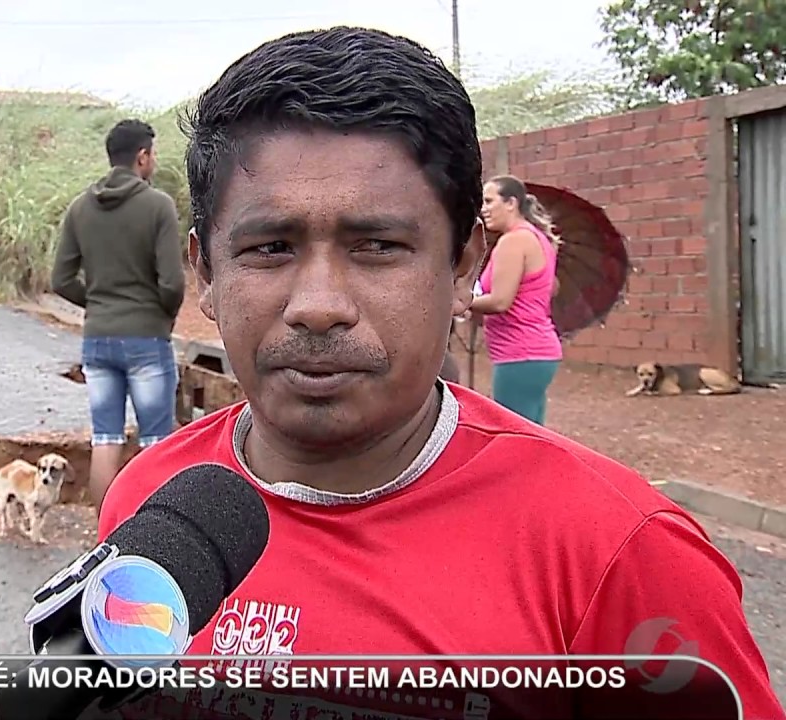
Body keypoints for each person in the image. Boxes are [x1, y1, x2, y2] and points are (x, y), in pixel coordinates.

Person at [97, 26, 783, 720]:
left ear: (461, 265)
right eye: (270, 247)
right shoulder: (151, 509)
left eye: (379, 246)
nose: (319, 307)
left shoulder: (620, 557)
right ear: (206, 272)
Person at [50, 119, 186, 514]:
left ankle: (105, 531)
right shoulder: (157, 205)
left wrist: (95, 303)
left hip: (97, 339)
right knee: (156, 442)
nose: (154, 161)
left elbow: (60, 279)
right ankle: (157, 531)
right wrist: (163, 316)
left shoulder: (80, 208)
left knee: (105, 438)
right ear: (142, 157)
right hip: (146, 336)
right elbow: (172, 283)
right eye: (153, 154)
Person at [468, 174, 564, 424]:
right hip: (536, 353)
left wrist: (458, 303)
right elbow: (550, 288)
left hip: (520, 353)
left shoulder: (513, 242)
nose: (483, 209)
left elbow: (500, 302)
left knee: (512, 434)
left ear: (511, 203)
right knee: (532, 435)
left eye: (489, 201)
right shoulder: (538, 239)